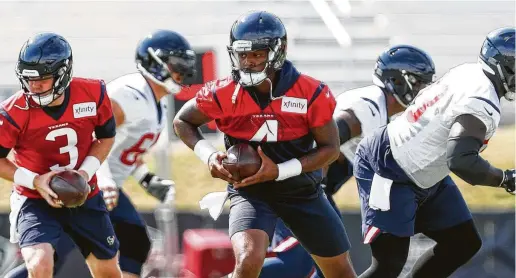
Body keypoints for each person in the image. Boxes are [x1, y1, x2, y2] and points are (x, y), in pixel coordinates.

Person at [174, 10, 356, 278]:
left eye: (257, 55)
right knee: (248, 261)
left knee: (341, 273)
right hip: (251, 191)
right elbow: (183, 121)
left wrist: (281, 171)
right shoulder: (223, 92)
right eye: (242, 55)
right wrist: (209, 155)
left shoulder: (309, 92)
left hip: (302, 191)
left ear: (277, 52)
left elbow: (330, 149)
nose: (248, 63)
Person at [260, 45, 436, 278]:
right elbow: (321, 141)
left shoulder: (388, 115)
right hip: (296, 188)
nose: (424, 92)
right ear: (398, 80)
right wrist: (312, 188)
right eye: (420, 83)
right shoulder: (369, 105)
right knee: (295, 265)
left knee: (334, 268)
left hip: (309, 190)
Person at [353, 27, 515, 278]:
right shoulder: (482, 98)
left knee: (462, 242)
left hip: (424, 170)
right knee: (387, 266)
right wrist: (505, 179)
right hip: (388, 167)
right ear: (506, 65)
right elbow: (462, 161)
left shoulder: (470, 72)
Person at [0, 32, 121, 278]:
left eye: (42, 80)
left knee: (109, 271)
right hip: (34, 198)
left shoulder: (93, 92)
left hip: (85, 193)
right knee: (39, 263)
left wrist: (83, 174)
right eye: (29, 79)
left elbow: (106, 137)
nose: (34, 86)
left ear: (63, 73)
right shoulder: (14, 111)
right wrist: (36, 180)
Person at [96, 29, 196, 277]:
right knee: (52, 253)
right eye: (176, 65)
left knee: (135, 243)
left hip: (104, 183)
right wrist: (103, 178)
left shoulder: (157, 100)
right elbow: (91, 138)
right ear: (155, 62)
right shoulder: (129, 94)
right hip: (86, 178)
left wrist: (147, 181)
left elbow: (125, 152)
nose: (181, 72)